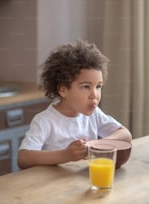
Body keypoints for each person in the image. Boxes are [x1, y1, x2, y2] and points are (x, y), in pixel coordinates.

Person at [18, 40, 132, 169]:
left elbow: (125, 135)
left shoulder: (94, 114)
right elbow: (23, 158)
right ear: (63, 90)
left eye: (98, 86)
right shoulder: (44, 121)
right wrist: (65, 155)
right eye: (85, 87)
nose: (95, 94)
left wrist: (97, 144)